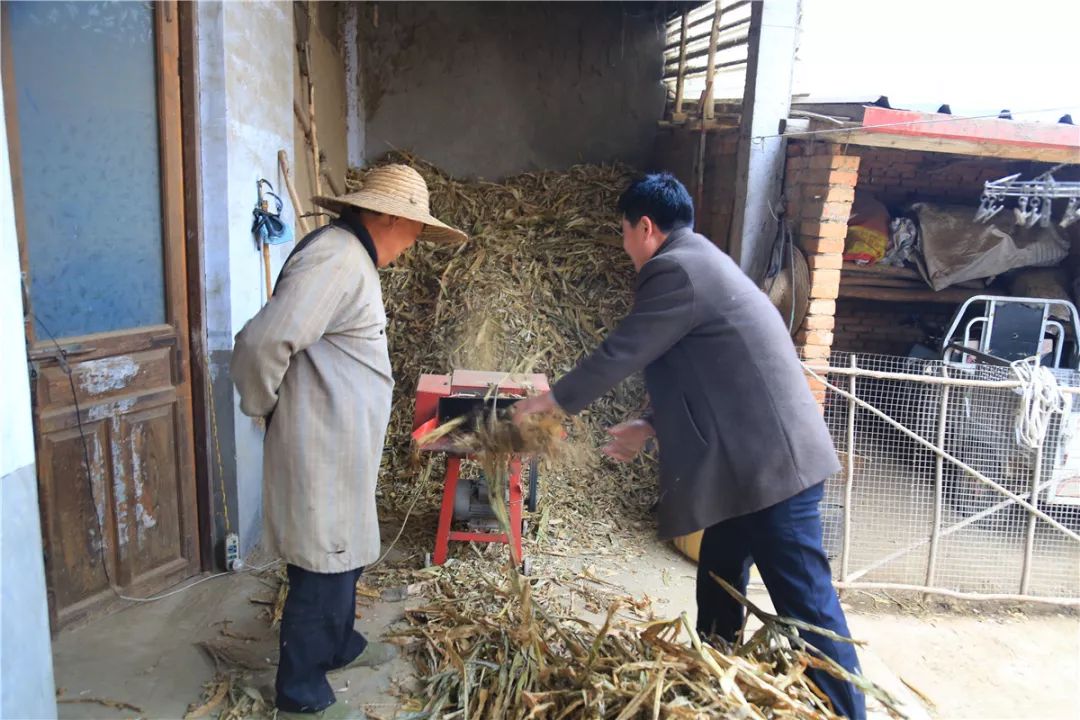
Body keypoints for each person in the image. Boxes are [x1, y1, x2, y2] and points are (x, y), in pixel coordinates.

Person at [513, 173, 866, 718]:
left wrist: (552, 402)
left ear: (645, 227)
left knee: (807, 608)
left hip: (773, 471)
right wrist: (649, 426)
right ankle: (712, 689)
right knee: (720, 580)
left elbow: (621, 352)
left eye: (624, 232)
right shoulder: (699, 261)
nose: (625, 245)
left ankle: (849, 712)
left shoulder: (673, 270)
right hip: (743, 470)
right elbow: (707, 372)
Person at [231, 164, 467, 720]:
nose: (412, 244)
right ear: (386, 215)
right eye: (412, 229)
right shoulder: (336, 257)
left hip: (340, 441)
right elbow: (263, 342)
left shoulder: (350, 257)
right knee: (322, 562)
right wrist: (259, 406)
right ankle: (301, 686)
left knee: (343, 555)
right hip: (319, 443)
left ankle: (337, 646)